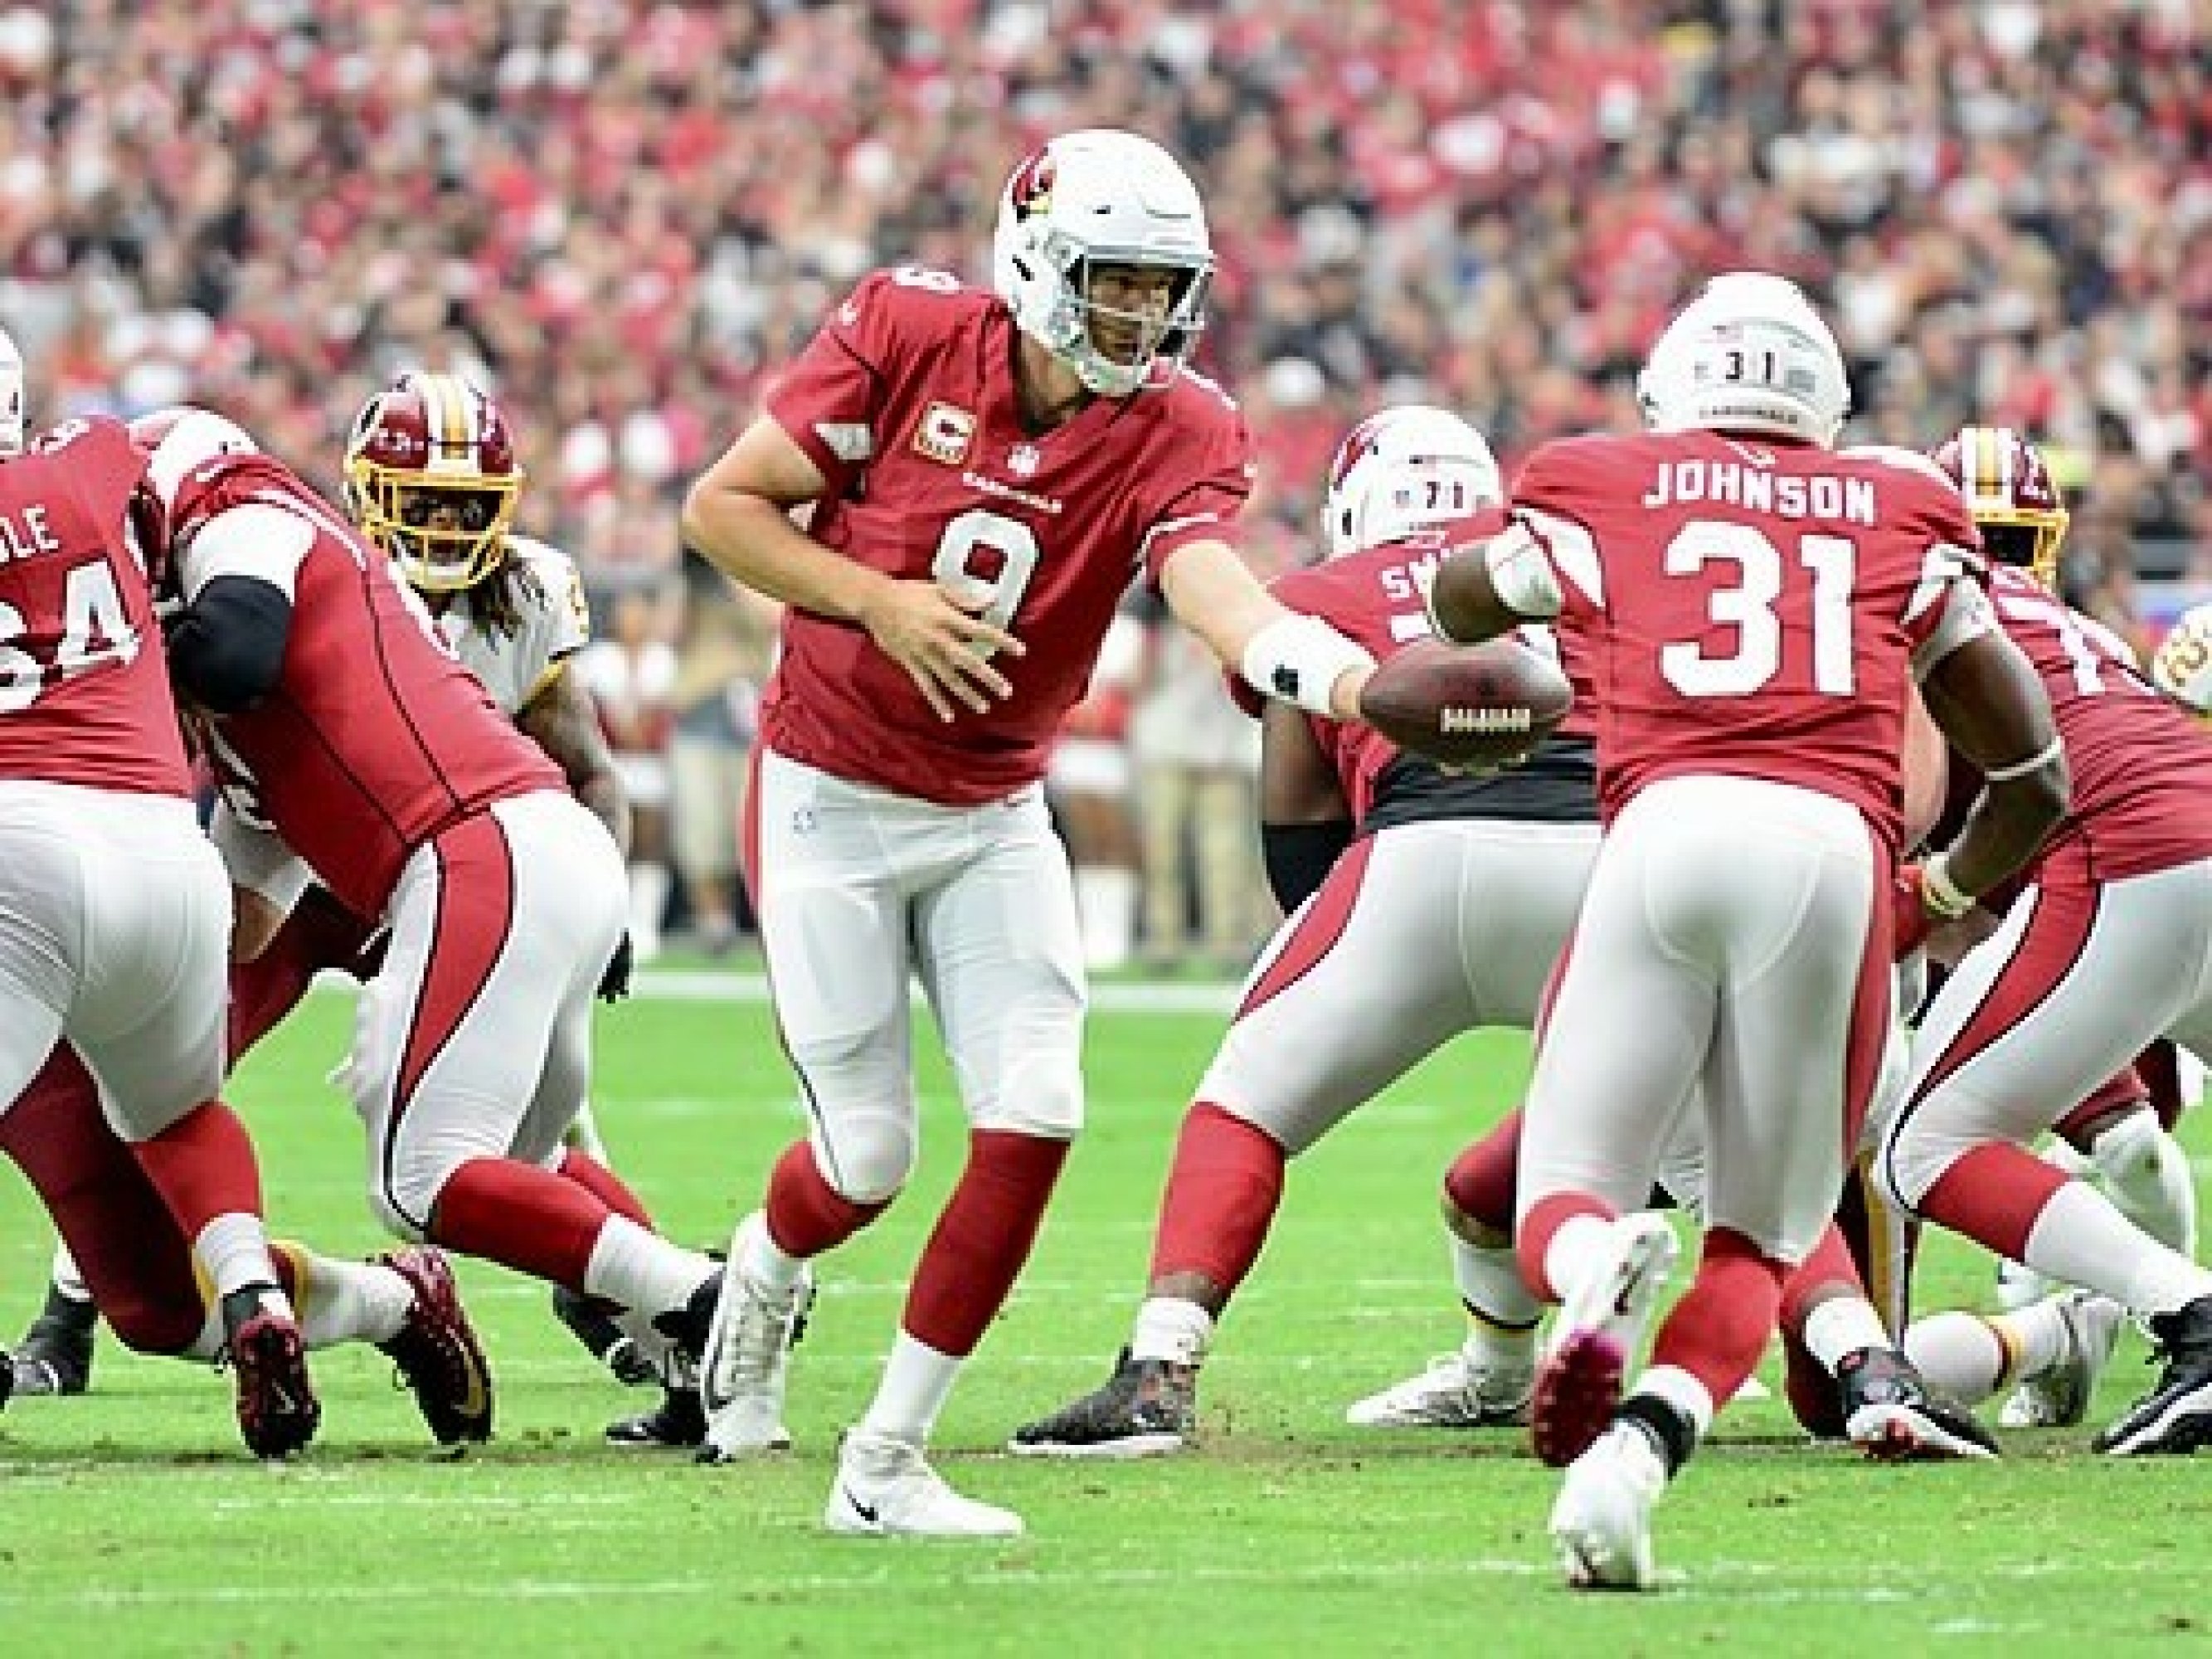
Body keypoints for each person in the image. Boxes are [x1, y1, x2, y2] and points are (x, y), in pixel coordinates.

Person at [680, 128, 1383, 1538]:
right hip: (827, 787)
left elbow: (1210, 589)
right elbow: (723, 509)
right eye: (1110, 281)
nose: (1137, 313)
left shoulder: (1180, 423)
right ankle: (759, 1274)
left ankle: (883, 1461)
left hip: (996, 805)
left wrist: (1332, 674)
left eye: (1157, 286)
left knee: (1041, 1109)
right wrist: (875, 601)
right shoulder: (904, 332)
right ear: (1037, 259)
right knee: (865, 1159)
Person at [1421, 272, 2068, 1588]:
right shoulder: (1899, 502)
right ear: (1819, 402)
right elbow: (2034, 779)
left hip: (1660, 832)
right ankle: (1630, 1464)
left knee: (1564, 1184)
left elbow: (1455, 610)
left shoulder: (1601, 478)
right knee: (1761, 1240)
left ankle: (1595, 1266)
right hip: (1831, 854)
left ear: (1671, 391)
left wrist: (1558, 604)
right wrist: (1935, 896)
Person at [7, 370, 653, 1400]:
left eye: (463, 505)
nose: (443, 526)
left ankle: (643, 1300)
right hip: (296, 854)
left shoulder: (520, 590)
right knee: (170, 1081)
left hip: (457, 856)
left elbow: (589, 764)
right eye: (423, 499)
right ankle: (85, 1300)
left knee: (531, 1116)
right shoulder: (250, 545)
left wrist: (606, 899)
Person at [1009, 405, 1582, 1452]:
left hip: (1409, 856)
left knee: (1243, 1105)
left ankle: (1160, 1368)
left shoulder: (1323, 591)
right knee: (1717, 1133)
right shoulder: (1567, 568)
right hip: (1604, 859)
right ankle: (1855, 1356)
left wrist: (1347, 946)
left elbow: (1296, 825)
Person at [0, 325, 316, 1458]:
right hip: (164, 846)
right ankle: (253, 1293)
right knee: (179, 1113)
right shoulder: (90, 454)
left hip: (20, 845)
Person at [1871, 423, 2212, 1458]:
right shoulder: (2082, 627)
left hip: (2124, 851)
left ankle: (2187, 1313)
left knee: (1921, 1148)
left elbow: (1923, 800)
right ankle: (2084, 1328)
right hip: (2186, 822)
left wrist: (1905, 895)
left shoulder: (1917, 610)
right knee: (2115, 1138)